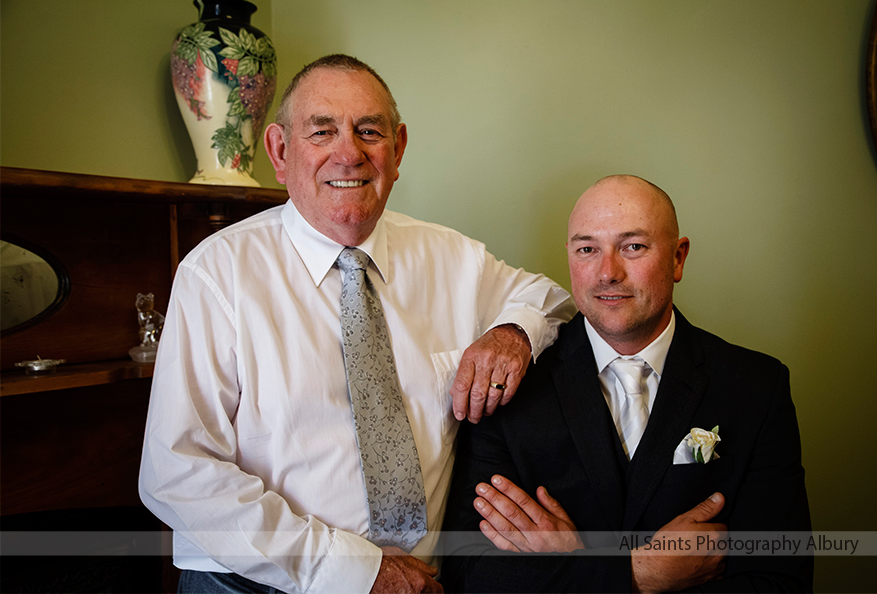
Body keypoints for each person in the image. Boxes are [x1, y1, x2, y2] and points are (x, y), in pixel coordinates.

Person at [138, 54, 575, 594]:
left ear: (398, 150)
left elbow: (553, 301)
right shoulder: (216, 273)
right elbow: (177, 470)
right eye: (322, 131)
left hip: (423, 581)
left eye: (369, 131)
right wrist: (354, 571)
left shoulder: (452, 257)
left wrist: (511, 335)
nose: (349, 153)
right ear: (280, 150)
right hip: (255, 583)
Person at [441, 175, 813, 592]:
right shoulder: (509, 388)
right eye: (587, 249)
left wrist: (572, 568)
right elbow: (471, 576)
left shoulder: (756, 387)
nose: (607, 273)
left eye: (633, 247)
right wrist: (637, 575)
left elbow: (781, 581)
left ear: (678, 257)